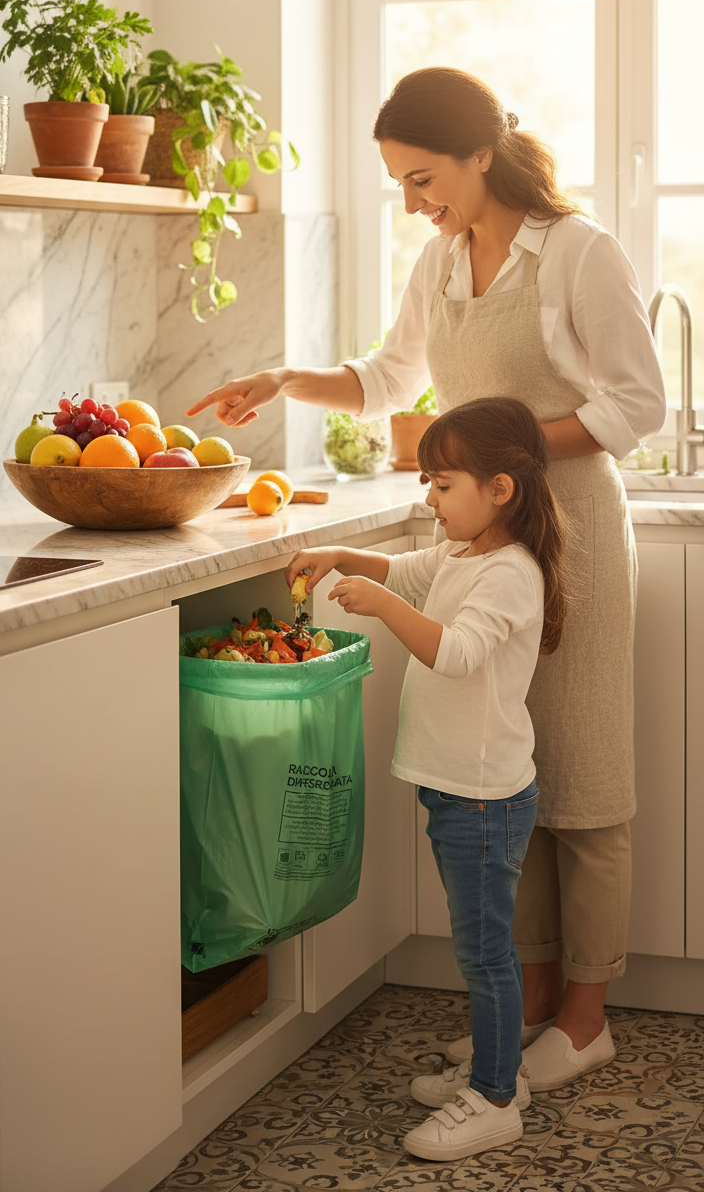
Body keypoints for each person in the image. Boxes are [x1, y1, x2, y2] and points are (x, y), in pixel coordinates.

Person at [186, 66, 667, 1092]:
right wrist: (281, 378)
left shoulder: (578, 252)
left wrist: (486, 443)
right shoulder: (440, 261)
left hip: (570, 524)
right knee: (503, 777)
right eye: (400, 185)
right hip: (477, 538)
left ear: (477, 154)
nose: (411, 201)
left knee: (582, 781)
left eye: (419, 177)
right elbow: (386, 379)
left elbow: (636, 406)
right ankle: (526, 1005)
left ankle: (584, 1019)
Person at [284, 397, 565, 1159]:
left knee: (483, 951)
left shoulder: (509, 574)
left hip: (482, 796)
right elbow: (400, 570)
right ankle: (497, 1064)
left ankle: (496, 1097)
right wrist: (343, 558)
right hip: (457, 788)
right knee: (478, 943)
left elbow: (456, 652)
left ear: (498, 489)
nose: (428, 499)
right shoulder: (464, 554)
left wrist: (377, 605)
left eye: (442, 485)